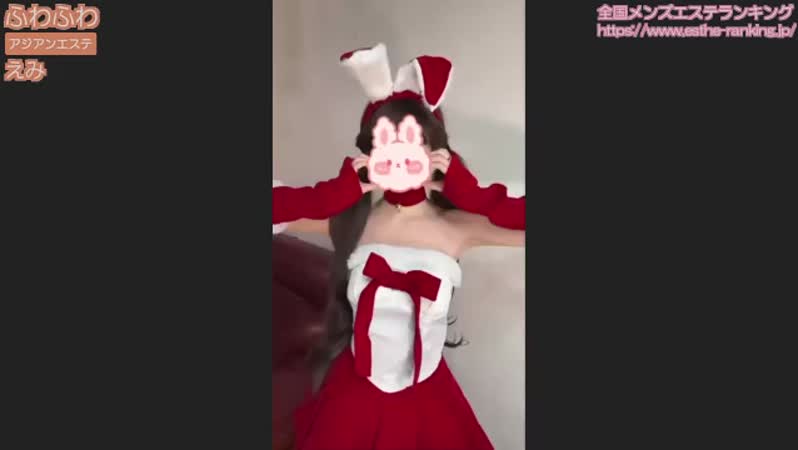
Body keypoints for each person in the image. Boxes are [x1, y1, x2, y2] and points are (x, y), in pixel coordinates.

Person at [272, 43, 525, 450]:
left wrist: (475, 194)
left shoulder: (458, 228)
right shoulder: (350, 222)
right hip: (353, 395)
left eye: (413, 141)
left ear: (436, 150)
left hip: (428, 395)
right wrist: (330, 194)